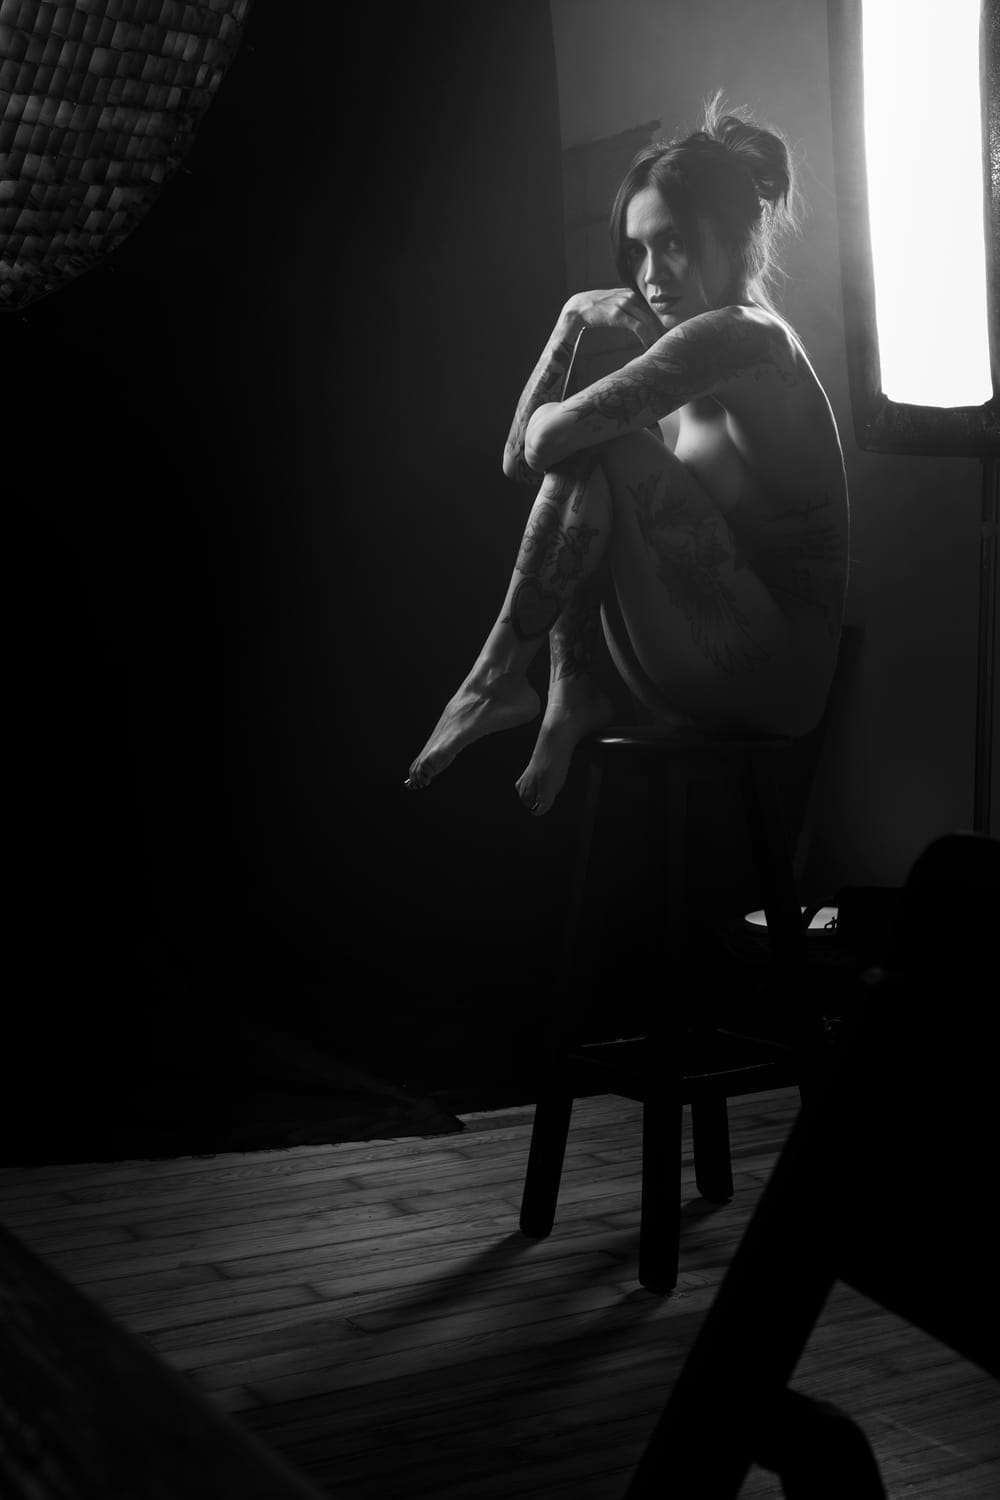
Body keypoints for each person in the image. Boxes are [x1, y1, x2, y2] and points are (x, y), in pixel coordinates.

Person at [406, 92, 849, 816]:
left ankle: (496, 676)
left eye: (672, 243)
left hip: (776, 685)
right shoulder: (679, 371)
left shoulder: (745, 337)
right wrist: (569, 320)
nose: (651, 275)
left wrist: (562, 415)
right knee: (597, 450)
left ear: (732, 236)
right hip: (691, 667)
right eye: (636, 252)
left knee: (601, 445)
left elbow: (539, 442)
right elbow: (519, 462)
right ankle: (568, 689)